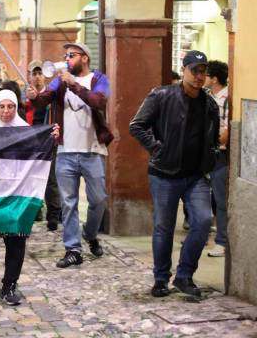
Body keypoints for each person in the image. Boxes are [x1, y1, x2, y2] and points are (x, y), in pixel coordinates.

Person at [129, 50, 219, 297]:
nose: (200, 76)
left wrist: (210, 156)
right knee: (163, 228)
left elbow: (211, 136)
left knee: (201, 221)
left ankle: (184, 275)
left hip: (196, 175)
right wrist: (158, 149)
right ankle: (160, 278)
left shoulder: (209, 103)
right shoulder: (162, 95)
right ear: (184, 70)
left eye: (203, 72)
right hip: (164, 173)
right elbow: (136, 126)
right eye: (195, 71)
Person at [27, 42, 113, 269]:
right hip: (65, 151)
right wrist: (34, 96)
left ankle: (90, 234)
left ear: (85, 58)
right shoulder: (59, 81)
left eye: (71, 56)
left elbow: (99, 101)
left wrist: (74, 85)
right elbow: (43, 101)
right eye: (65, 55)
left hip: (92, 151)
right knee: (68, 202)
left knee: (98, 200)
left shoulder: (99, 79)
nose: (67, 60)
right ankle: (73, 249)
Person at [0, 89, 60, 305]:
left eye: (10, 106)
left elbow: (43, 156)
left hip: (17, 197)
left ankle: (9, 285)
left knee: (16, 241)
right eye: (1, 106)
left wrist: (52, 138)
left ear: (16, 107)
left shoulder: (27, 132)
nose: (6, 111)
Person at [24, 61, 62, 231]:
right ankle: (34, 210)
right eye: (34, 73)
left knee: (50, 178)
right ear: (29, 76)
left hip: (49, 140)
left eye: (40, 73)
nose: (37, 76)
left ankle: (54, 213)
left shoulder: (51, 93)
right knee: (31, 177)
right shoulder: (24, 95)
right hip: (31, 140)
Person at [205, 60, 229, 258]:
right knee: (202, 197)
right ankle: (202, 235)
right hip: (205, 154)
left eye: (205, 74)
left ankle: (222, 241)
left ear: (213, 79)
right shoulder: (206, 97)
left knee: (220, 200)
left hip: (220, 155)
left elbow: (226, 133)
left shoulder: (227, 99)